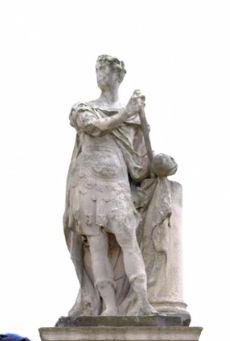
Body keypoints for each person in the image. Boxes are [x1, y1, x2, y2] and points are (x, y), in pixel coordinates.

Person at [64, 54, 156, 317]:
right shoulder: (84, 108)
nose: (101, 74)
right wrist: (127, 112)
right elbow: (94, 128)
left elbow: (141, 160)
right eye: (98, 70)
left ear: (119, 76)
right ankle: (110, 306)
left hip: (116, 182)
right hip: (86, 182)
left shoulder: (134, 117)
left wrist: (159, 166)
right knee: (96, 243)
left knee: (128, 238)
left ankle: (142, 299)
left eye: (107, 70)